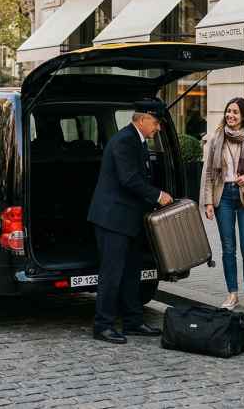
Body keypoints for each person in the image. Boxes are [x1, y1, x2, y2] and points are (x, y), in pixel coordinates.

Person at [87, 102, 172, 345]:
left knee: (132, 273)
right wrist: (158, 195)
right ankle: (102, 325)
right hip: (112, 219)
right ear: (143, 119)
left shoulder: (138, 140)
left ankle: (133, 321)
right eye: (156, 124)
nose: (157, 129)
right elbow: (129, 179)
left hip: (130, 220)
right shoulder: (124, 140)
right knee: (112, 274)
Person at [200, 97, 244, 312]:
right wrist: (208, 202)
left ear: (243, 115)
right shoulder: (216, 138)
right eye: (228, 111)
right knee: (228, 248)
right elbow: (209, 172)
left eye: (235, 112)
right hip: (224, 197)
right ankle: (232, 294)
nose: (230, 115)